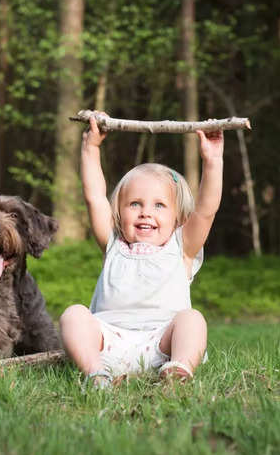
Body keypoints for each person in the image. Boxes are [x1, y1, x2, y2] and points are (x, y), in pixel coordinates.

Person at [59, 116, 224, 388]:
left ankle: (180, 368)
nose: (146, 212)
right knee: (73, 315)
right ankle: (95, 371)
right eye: (135, 204)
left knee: (192, 320)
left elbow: (206, 210)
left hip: (162, 344)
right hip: (108, 343)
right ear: (118, 212)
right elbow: (94, 197)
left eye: (159, 205)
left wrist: (213, 161)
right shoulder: (113, 244)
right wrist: (90, 149)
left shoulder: (181, 248)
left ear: (177, 217)